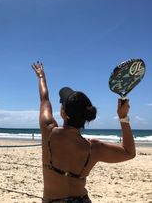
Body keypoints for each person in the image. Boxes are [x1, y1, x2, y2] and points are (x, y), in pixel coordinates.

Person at [32, 61, 136, 203]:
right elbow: (129, 152)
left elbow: (44, 99)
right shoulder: (93, 148)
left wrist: (41, 77)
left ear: (64, 113)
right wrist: (123, 117)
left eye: (62, 104)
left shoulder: (49, 131)